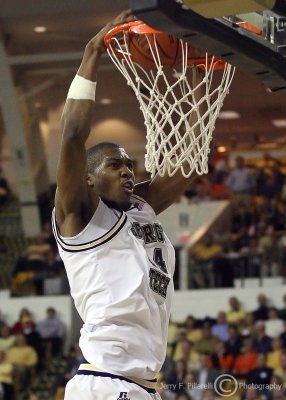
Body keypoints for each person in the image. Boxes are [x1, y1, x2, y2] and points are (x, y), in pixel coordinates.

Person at [51, 10, 204, 400]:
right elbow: (71, 136)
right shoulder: (79, 217)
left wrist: (202, 72)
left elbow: (187, 163)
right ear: (88, 179)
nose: (126, 172)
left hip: (138, 384)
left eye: (129, 165)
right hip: (107, 381)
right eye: (114, 164)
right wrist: (91, 52)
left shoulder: (141, 208)